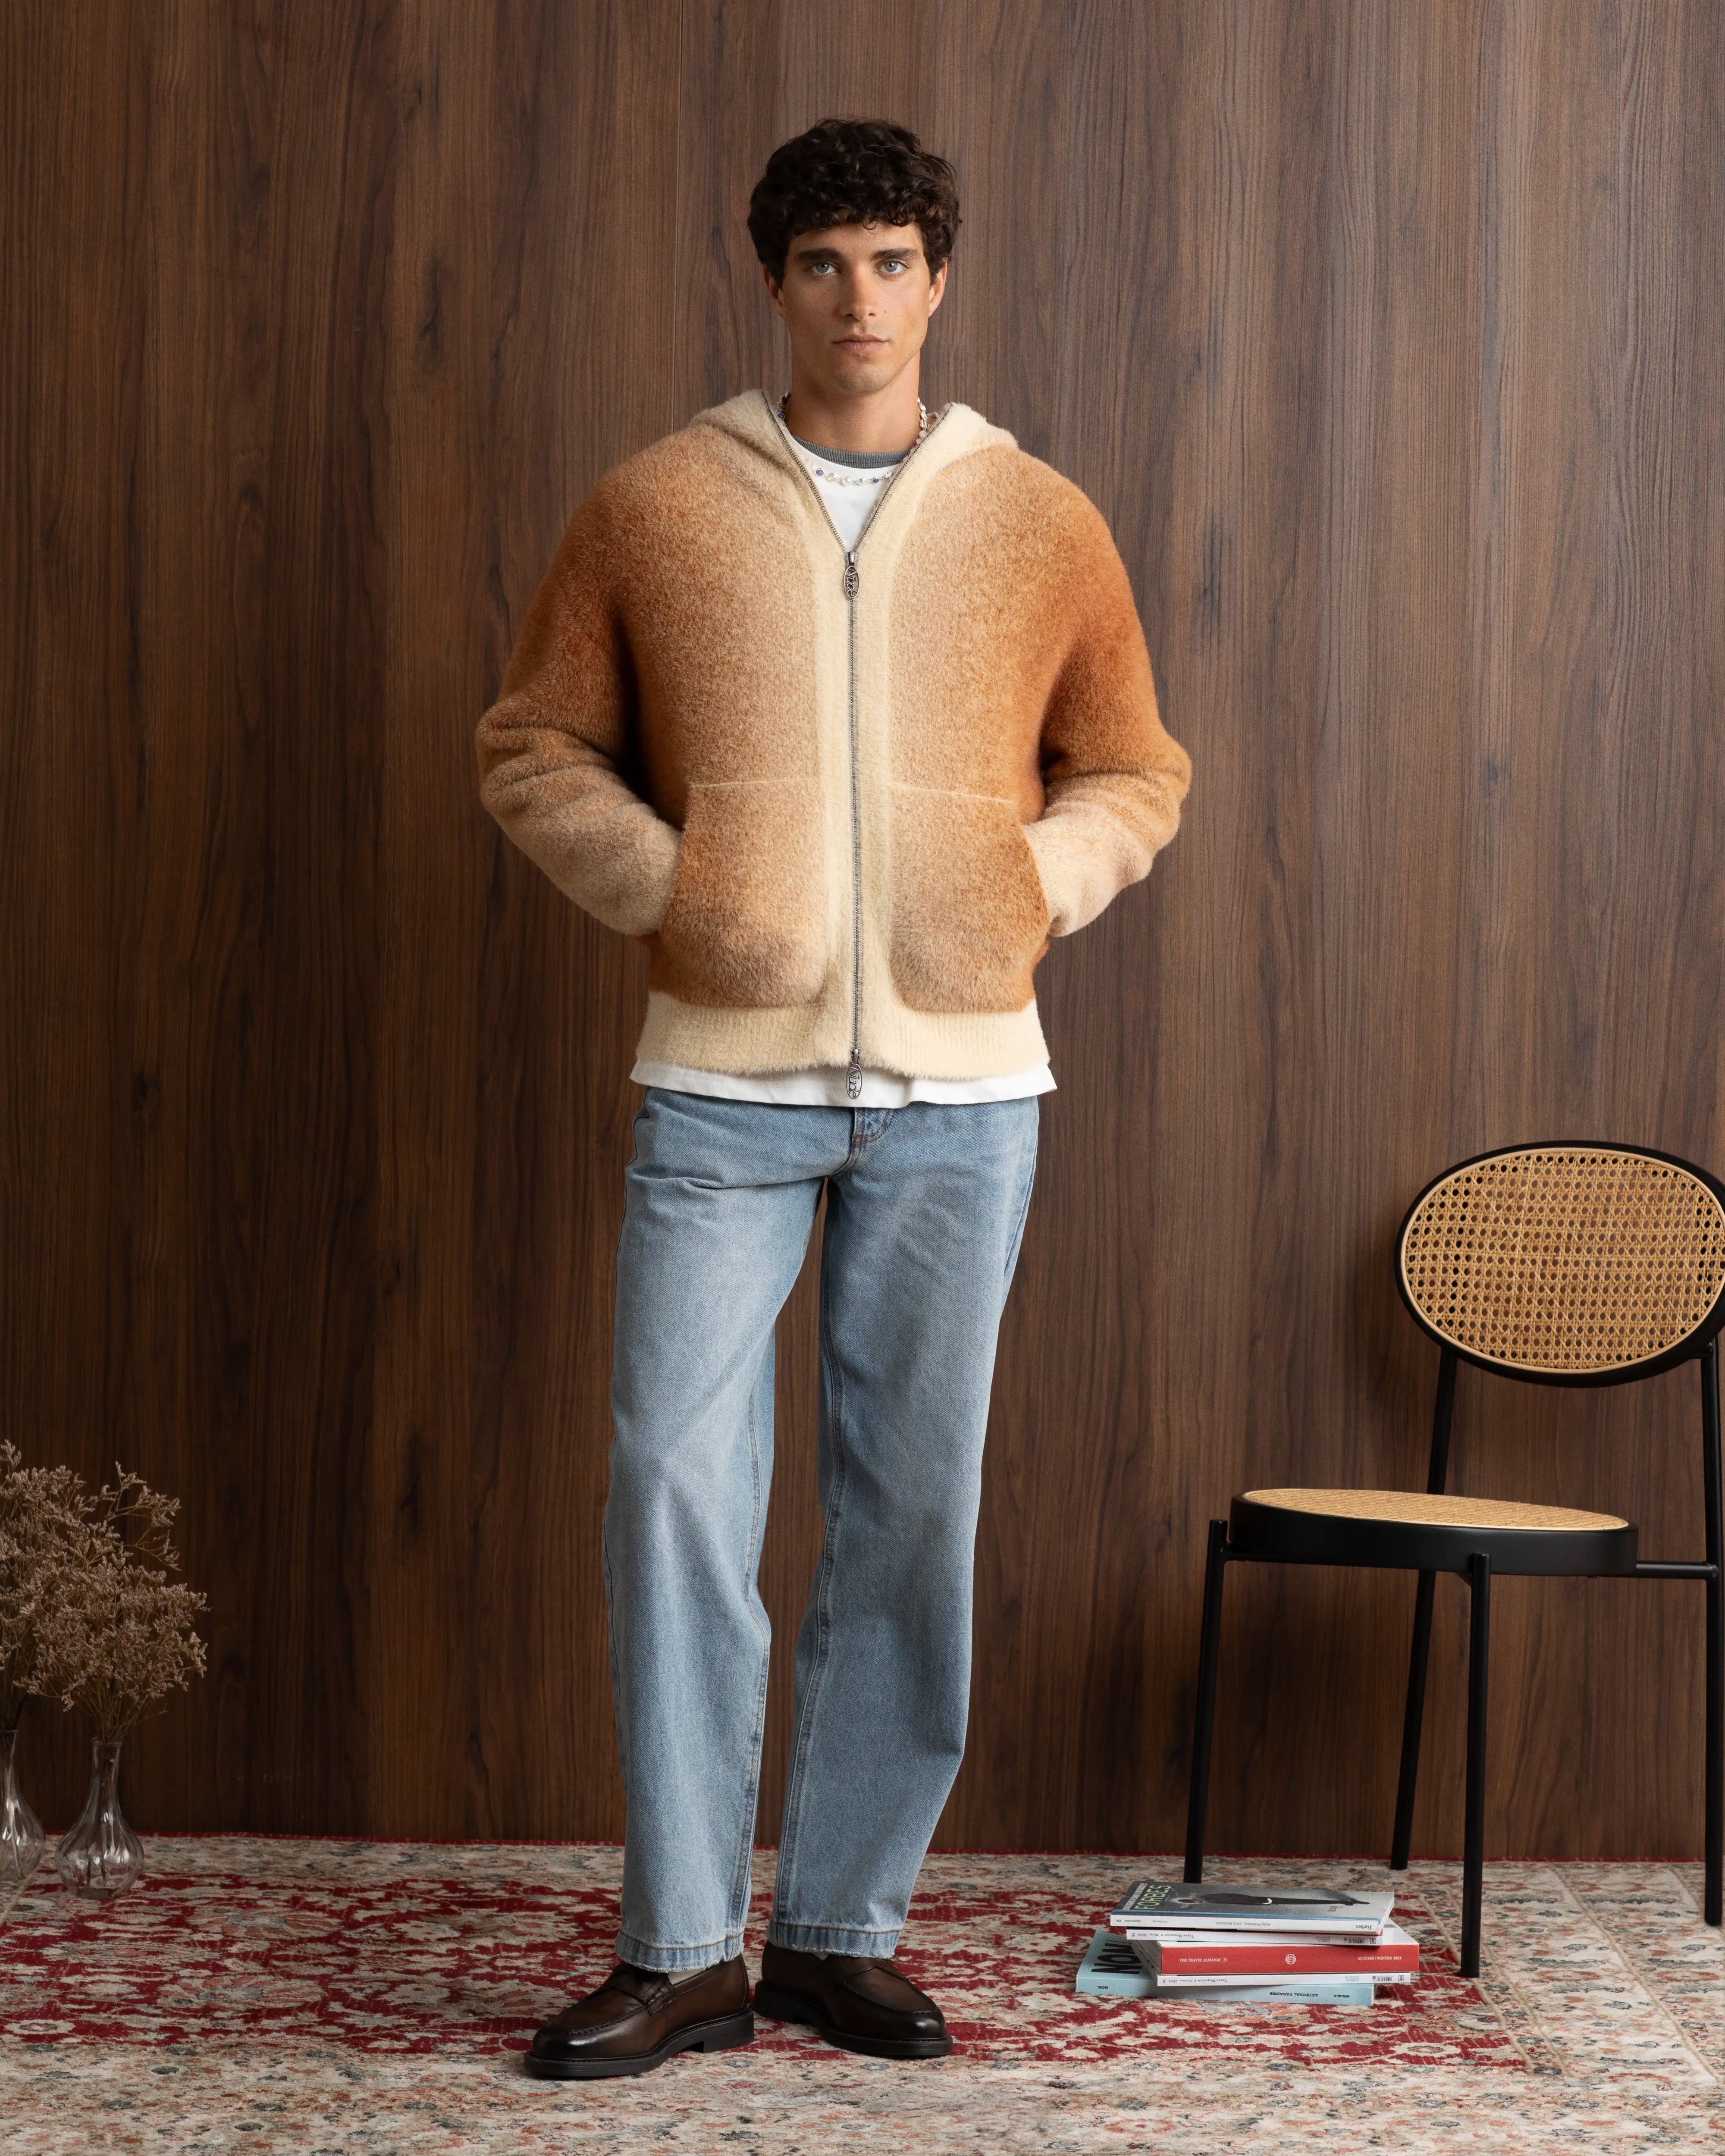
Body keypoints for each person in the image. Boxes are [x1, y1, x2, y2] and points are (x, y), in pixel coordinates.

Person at [474, 116, 1191, 2081]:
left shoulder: (1037, 517)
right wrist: (681, 892)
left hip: (965, 1095)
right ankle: (683, 1948)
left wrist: (1028, 884)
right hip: (724, 1085)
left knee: (910, 1515)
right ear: (773, 281)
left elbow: (1135, 768)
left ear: (937, 280)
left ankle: (837, 1933)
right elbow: (532, 747)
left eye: (890, 262)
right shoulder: (653, 505)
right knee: (670, 1493)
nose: (858, 299)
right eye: (822, 265)